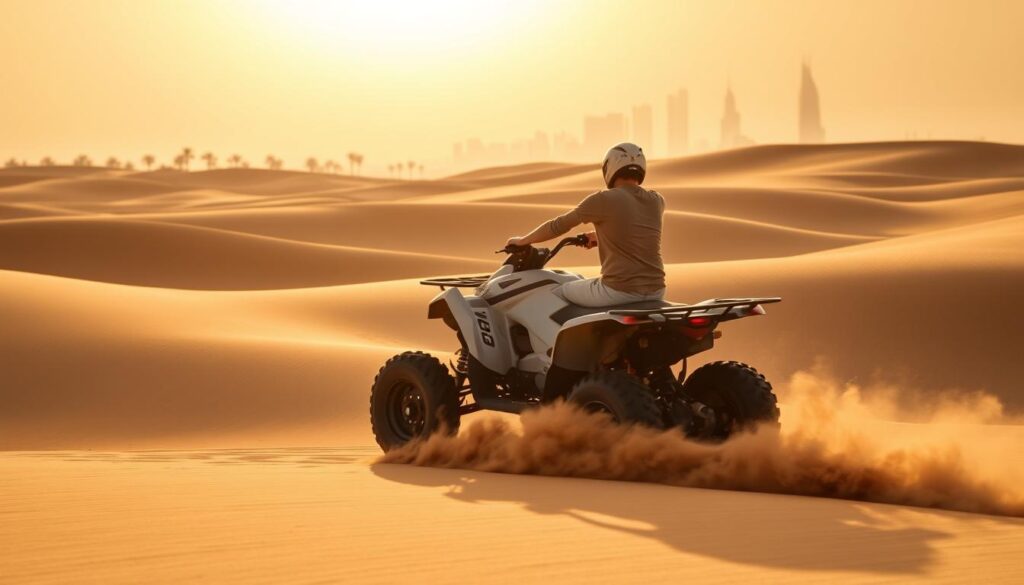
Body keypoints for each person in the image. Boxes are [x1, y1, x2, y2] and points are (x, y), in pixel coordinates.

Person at [505, 142, 665, 307]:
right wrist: (598, 237)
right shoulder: (656, 200)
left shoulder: (603, 199)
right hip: (656, 291)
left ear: (610, 168)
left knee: (556, 291)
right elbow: (639, 231)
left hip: (618, 291)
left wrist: (523, 240)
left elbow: (558, 225)